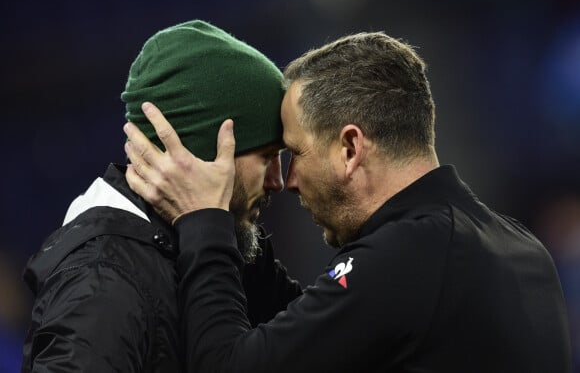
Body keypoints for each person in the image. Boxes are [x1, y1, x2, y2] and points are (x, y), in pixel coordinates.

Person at [123, 31, 573, 372]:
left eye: (296, 153)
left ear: (350, 148)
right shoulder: (517, 247)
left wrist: (206, 219)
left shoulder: (407, 257)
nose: (290, 180)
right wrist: (240, 228)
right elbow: (324, 330)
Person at [21, 20, 302, 372]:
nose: (278, 179)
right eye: (266, 156)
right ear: (200, 152)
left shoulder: (207, 243)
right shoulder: (104, 281)